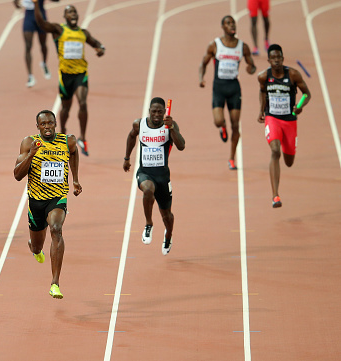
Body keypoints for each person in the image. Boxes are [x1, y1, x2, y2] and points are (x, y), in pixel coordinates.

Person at [14, 110, 82, 298]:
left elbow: (74, 153)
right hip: (36, 201)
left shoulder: (67, 141)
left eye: (50, 123)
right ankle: (34, 248)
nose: (47, 127)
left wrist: (75, 179)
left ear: (55, 124)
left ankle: (55, 283)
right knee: (37, 246)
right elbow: (18, 175)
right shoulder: (29, 143)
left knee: (56, 228)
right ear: (38, 127)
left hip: (57, 197)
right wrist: (31, 155)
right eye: (43, 124)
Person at [34, 1, 105, 156]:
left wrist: (101, 49)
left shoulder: (83, 33)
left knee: (83, 103)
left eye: (74, 12)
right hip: (65, 76)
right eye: (69, 12)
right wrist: (36, 5)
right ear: (65, 16)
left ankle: (83, 137)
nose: (73, 14)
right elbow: (41, 23)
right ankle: (63, 131)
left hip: (81, 74)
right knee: (65, 108)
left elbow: (95, 43)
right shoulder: (58, 30)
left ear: (77, 16)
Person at [123, 97, 185, 255]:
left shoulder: (170, 125)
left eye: (159, 111)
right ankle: (148, 224)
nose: (156, 114)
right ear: (149, 111)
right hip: (145, 172)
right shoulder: (140, 124)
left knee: (167, 216)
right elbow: (131, 137)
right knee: (148, 190)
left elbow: (181, 146)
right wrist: (127, 158)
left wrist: (171, 129)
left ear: (164, 112)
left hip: (163, 176)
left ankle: (168, 235)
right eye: (153, 111)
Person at [199, 15, 256, 170]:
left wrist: (251, 69)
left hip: (234, 89)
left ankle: (231, 158)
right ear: (222, 27)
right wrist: (201, 78)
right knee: (218, 120)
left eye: (233, 23)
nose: (232, 25)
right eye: (228, 23)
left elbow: (252, 65)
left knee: (236, 125)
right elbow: (203, 63)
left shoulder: (242, 47)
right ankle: (222, 127)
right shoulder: (215, 45)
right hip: (219, 88)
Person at [257, 44, 310, 208]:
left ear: (282, 58)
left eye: (279, 57)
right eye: (273, 58)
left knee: (289, 161)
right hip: (272, 118)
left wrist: (300, 106)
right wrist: (261, 110)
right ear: (269, 60)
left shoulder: (293, 74)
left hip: (289, 120)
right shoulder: (263, 76)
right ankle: (275, 196)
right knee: (274, 150)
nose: (276, 61)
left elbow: (307, 93)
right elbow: (262, 92)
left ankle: (288, 153)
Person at [13, 0, 58, 88]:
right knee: (28, 46)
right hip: (29, 17)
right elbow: (16, 3)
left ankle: (44, 63)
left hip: (41, 16)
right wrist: (16, 4)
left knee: (43, 44)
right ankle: (30, 76)